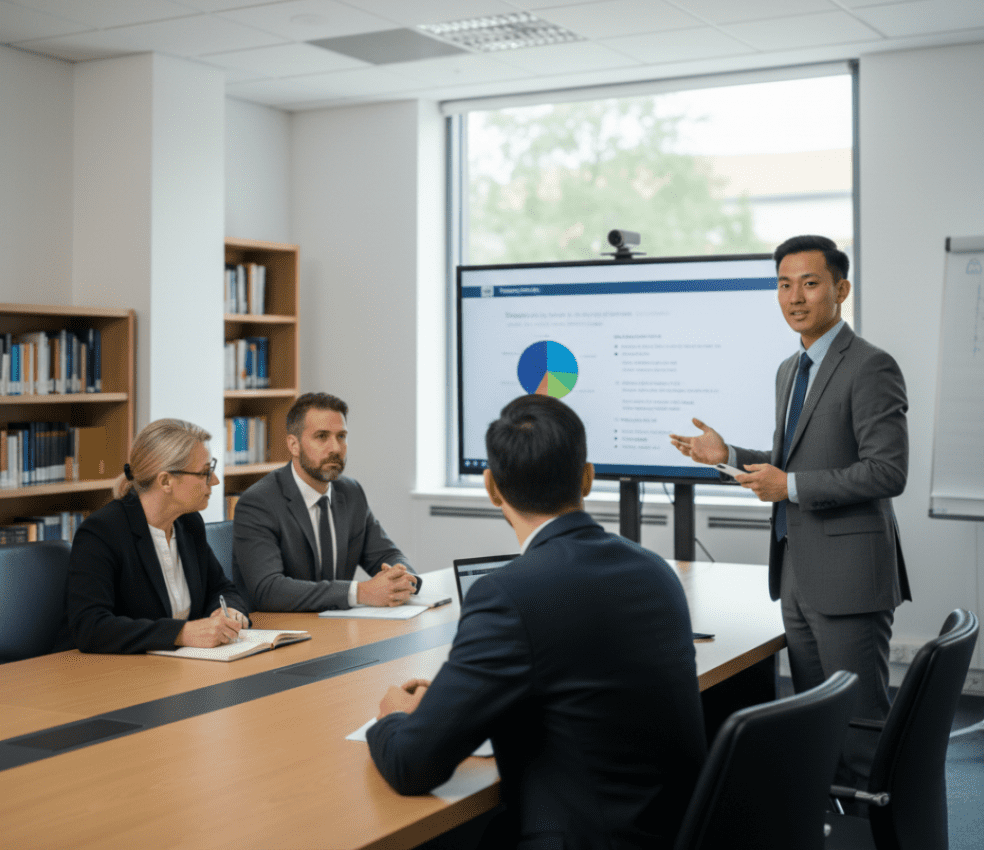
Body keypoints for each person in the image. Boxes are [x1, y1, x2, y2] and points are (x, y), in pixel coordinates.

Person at [368, 395, 707, 850]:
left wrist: (394, 717)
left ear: (492, 488)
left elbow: (412, 766)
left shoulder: (508, 594)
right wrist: (450, 704)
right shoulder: (655, 570)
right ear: (587, 477)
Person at [670, 234, 910, 784]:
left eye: (809, 283)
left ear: (841, 290)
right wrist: (728, 456)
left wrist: (791, 486)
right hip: (796, 567)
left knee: (859, 728)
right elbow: (790, 462)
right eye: (783, 285)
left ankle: (875, 821)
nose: (794, 297)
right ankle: (823, 817)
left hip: (849, 574)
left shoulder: (871, 366)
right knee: (813, 720)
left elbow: (887, 472)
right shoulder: (790, 368)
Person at [67, 418, 249, 654]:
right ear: (165, 481)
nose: (214, 481)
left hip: (183, 664)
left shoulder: (189, 523)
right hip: (121, 671)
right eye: (205, 472)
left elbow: (222, 588)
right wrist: (181, 633)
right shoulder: (101, 532)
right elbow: (90, 626)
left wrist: (228, 610)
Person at [232, 392, 418, 612]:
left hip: (337, 624)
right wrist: (360, 592)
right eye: (322, 437)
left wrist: (403, 578)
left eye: (341, 436)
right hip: (284, 626)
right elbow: (268, 589)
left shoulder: (351, 492)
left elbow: (386, 554)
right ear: (293, 445)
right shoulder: (258, 502)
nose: (336, 448)